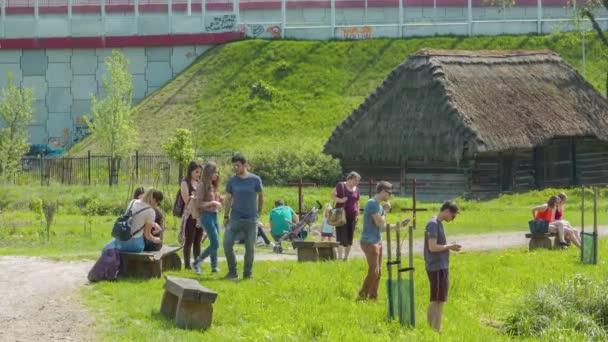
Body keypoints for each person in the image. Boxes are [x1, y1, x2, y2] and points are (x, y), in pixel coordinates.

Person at [223, 154, 264, 280]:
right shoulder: (232, 180)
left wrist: (258, 213)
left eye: (238, 165)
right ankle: (232, 271)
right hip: (235, 218)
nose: (235, 168)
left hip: (251, 220)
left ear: (245, 165)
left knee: (250, 248)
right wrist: (225, 215)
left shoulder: (255, 179)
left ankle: (247, 274)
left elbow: (261, 196)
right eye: (234, 165)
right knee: (227, 243)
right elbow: (228, 199)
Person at [424, 200, 461, 333]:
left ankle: (432, 328)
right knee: (438, 300)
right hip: (436, 266)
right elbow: (432, 247)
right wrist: (449, 246)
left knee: (437, 299)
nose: (453, 218)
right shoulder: (433, 224)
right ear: (446, 211)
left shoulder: (437, 223)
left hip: (440, 266)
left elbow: (437, 245)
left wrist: (449, 246)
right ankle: (436, 330)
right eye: (453, 215)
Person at [358, 181, 393, 301]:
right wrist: (386, 210)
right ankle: (362, 296)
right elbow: (379, 222)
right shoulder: (372, 203)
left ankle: (373, 297)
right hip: (369, 241)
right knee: (374, 271)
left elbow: (381, 226)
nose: (390, 195)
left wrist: (397, 226)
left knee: (379, 272)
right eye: (389, 193)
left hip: (378, 240)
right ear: (383, 191)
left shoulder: (379, 206)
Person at [103, 188, 162, 253]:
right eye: (158, 203)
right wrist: (155, 239)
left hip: (122, 239)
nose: (157, 206)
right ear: (154, 200)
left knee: (105, 249)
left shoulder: (133, 202)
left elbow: (134, 219)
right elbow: (147, 235)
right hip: (136, 245)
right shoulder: (151, 212)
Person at [192, 162, 222, 274]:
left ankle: (214, 266)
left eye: (217, 172)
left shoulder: (213, 185)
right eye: (215, 172)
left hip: (214, 215)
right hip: (206, 216)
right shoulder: (202, 185)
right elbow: (198, 203)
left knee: (215, 241)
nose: (217, 175)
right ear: (209, 172)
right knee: (215, 243)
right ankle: (197, 262)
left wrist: (222, 200)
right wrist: (212, 202)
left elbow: (216, 200)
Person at [331, 171, 361, 261]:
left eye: (358, 181)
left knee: (350, 237)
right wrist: (340, 200)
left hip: (352, 215)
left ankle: (346, 258)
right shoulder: (340, 185)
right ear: (350, 179)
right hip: (341, 215)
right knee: (341, 236)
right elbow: (332, 195)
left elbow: (357, 201)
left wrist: (358, 213)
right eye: (356, 180)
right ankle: (340, 257)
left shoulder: (357, 189)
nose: (357, 182)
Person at [179, 161, 203, 269]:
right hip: (190, 214)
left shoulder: (200, 183)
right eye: (196, 172)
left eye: (199, 172)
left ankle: (197, 263)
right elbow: (186, 199)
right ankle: (187, 265)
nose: (198, 174)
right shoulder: (185, 183)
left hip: (200, 215)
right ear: (191, 171)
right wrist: (193, 197)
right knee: (189, 239)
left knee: (198, 240)